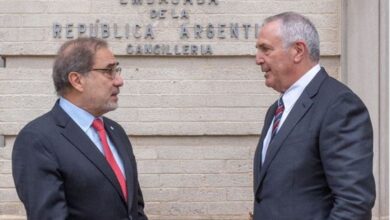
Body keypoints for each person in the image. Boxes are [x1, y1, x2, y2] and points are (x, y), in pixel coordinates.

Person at [252, 12, 375, 220]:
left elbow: (354, 204)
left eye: (266, 49)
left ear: (298, 51)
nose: (258, 59)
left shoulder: (339, 106)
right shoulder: (275, 110)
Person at [12, 37, 148, 220]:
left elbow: (135, 210)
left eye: (117, 70)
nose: (119, 81)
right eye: (109, 71)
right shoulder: (37, 139)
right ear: (77, 80)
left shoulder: (116, 132)